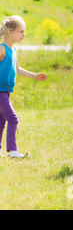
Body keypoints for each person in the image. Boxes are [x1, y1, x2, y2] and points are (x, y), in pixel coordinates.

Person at [0, 15, 47, 158]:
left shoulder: (13, 50)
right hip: (0, 91)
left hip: (6, 91)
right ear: (9, 31)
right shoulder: (2, 49)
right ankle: (12, 150)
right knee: (13, 119)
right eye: (21, 31)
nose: (24, 35)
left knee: (1, 121)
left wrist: (34, 75)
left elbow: (17, 70)